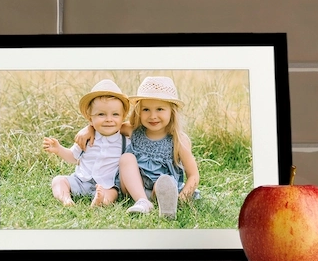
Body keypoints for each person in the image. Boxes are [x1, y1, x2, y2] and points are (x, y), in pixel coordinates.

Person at [117, 76, 200, 219]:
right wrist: (88, 130)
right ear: (138, 111)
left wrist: (183, 197)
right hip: (134, 188)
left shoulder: (178, 140)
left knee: (165, 181)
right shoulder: (133, 131)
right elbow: (109, 126)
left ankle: (166, 204)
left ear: (171, 111)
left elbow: (193, 175)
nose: (153, 116)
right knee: (126, 158)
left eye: (160, 109)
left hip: (160, 191)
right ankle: (142, 201)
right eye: (146, 109)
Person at [42, 79, 132, 207]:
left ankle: (101, 201)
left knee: (113, 193)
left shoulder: (125, 142)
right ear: (91, 118)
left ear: (123, 118)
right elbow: (73, 157)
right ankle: (66, 199)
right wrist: (58, 149)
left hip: (106, 185)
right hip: (80, 180)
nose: (109, 119)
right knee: (58, 180)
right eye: (101, 114)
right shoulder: (86, 138)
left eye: (115, 114)